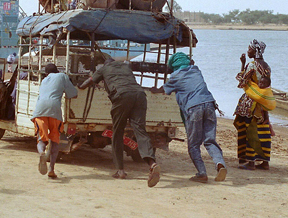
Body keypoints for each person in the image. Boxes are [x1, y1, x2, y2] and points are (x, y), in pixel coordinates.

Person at [78, 58, 161, 187]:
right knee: (140, 131)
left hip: (122, 96)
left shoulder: (104, 69)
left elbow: (85, 85)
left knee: (117, 133)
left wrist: (79, 86)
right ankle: (152, 163)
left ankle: (120, 171)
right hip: (140, 95)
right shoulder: (126, 67)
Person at [151, 52, 227, 183]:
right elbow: (191, 64)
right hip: (209, 105)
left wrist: (154, 90)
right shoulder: (196, 71)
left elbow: (162, 89)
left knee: (194, 145)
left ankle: (202, 173)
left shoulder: (175, 77)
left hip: (194, 108)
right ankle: (220, 164)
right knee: (210, 141)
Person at [233, 39, 276, 171]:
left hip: (250, 103)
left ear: (255, 50)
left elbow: (241, 82)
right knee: (263, 131)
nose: (248, 51)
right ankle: (264, 162)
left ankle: (250, 162)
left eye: (249, 49)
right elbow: (267, 85)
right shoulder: (267, 66)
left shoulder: (251, 65)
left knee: (249, 130)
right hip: (263, 102)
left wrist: (242, 65)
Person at [31, 63, 78, 179]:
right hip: (54, 110)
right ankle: (51, 169)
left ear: (46, 73)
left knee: (41, 140)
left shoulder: (44, 81)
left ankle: (42, 153)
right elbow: (73, 93)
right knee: (55, 141)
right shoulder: (62, 76)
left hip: (40, 110)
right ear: (57, 71)